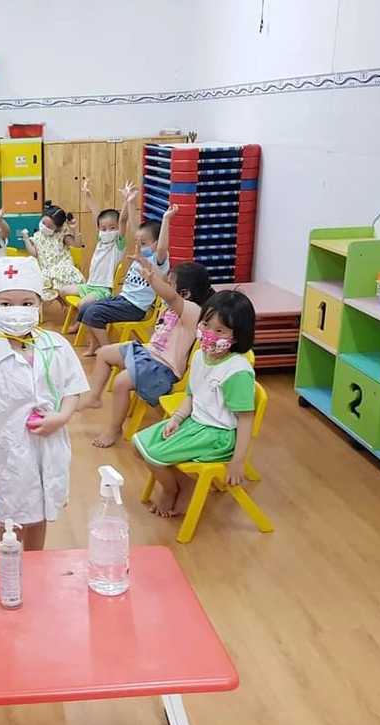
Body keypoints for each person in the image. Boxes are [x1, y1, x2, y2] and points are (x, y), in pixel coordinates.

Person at [0, 256, 89, 551]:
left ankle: (35, 569)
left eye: (27, 303)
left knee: (41, 517)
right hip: (9, 454)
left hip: (50, 447)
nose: (17, 310)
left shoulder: (56, 345)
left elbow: (73, 387)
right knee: (12, 526)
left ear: (40, 304)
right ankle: (5, 572)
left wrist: (62, 417)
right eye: (6, 303)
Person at [133, 290, 257, 517]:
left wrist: (238, 461)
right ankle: (184, 483)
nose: (209, 334)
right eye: (206, 325)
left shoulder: (237, 371)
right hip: (194, 423)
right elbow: (191, 395)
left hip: (217, 435)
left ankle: (171, 490)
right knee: (137, 445)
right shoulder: (201, 356)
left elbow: (246, 418)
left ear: (237, 336)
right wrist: (177, 418)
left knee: (154, 456)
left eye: (220, 330)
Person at [80, 261, 215, 447]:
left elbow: (171, 295)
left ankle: (114, 429)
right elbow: (165, 281)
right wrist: (145, 263)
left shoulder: (192, 311)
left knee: (120, 382)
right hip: (148, 353)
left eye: (170, 284)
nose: (165, 286)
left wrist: (151, 280)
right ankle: (95, 397)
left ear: (185, 293)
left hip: (163, 369)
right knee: (104, 353)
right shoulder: (176, 305)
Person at [76, 203, 177, 356]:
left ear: (155, 244)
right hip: (123, 299)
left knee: (93, 313)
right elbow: (136, 229)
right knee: (85, 308)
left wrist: (166, 219)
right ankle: (94, 344)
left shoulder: (158, 259)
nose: (139, 246)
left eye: (143, 243)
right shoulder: (139, 255)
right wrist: (131, 201)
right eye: (138, 243)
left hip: (135, 307)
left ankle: (107, 351)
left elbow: (162, 246)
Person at [59, 180, 136, 333]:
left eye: (112, 228)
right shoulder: (101, 239)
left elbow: (123, 220)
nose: (108, 231)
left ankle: (79, 325)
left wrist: (127, 200)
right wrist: (88, 195)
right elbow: (97, 216)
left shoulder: (118, 244)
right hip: (89, 285)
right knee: (62, 291)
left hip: (102, 289)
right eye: (104, 229)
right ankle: (78, 316)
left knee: (83, 304)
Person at [21, 201, 83, 304]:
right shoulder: (38, 236)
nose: (44, 227)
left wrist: (75, 229)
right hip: (46, 272)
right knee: (38, 285)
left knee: (59, 281)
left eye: (49, 226)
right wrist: (26, 239)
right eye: (43, 223)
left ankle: (63, 302)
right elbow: (34, 253)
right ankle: (58, 303)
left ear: (57, 228)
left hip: (62, 269)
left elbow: (77, 244)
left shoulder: (61, 235)